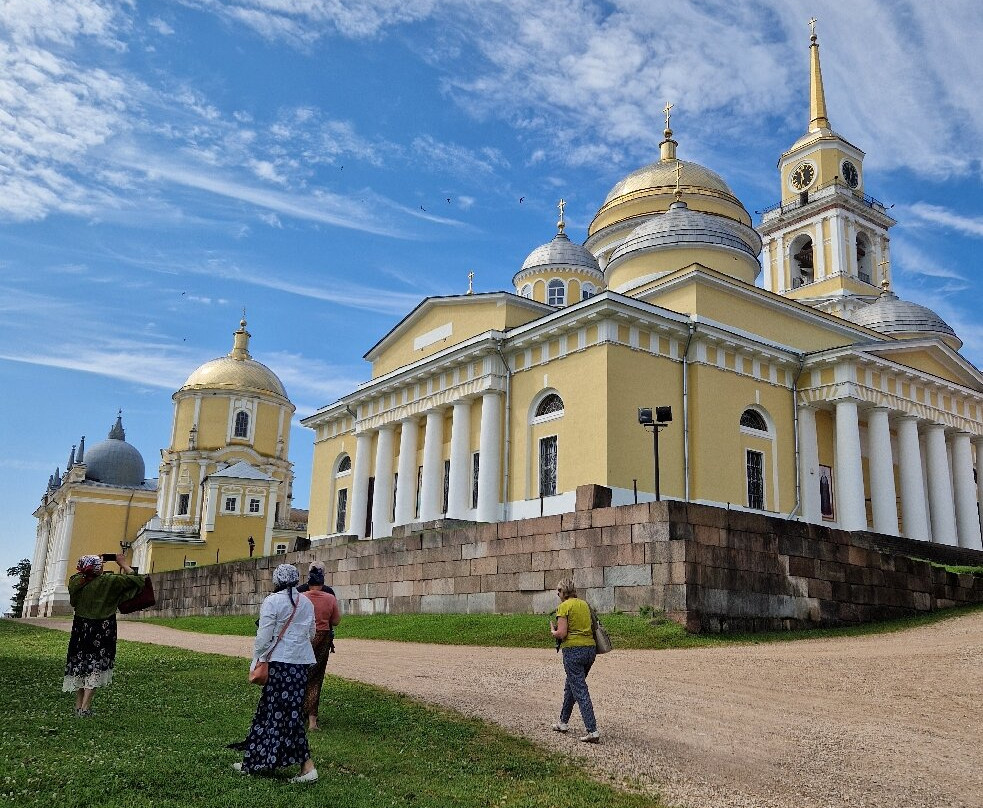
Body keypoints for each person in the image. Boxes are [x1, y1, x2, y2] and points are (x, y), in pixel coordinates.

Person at [234, 563, 318, 783]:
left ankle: (307, 767)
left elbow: (264, 636)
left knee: (280, 714)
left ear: (277, 580)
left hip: (280, 663)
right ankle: (256, 761)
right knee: (274, 712)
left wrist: (259, 658)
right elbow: (311, 633)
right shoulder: (306, 602)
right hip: (300, 664)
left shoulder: (272, 601)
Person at [64, 551, 145, 717]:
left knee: (81, 665)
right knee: (96, 665)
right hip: (103, 628)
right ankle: (85, 707)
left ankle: (78, 706)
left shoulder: (75, 581)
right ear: (98, 568)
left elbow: (82, 580)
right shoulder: (110, 581)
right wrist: (123, 563)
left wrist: (95, 564)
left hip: (81, 628)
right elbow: (138, 580)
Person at [548, 577, 600, 743]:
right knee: (571, 686)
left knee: (580, 690)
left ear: (563, 591)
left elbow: (562, 633)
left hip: (573, 651)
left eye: (559, 591)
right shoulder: (584, 604)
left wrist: (553, 632)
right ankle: (563, 722)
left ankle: (592, 730)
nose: (557, 594)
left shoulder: (564, 607)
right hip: (590, 650)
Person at [301, 562, 341, 730]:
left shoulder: (301, 596)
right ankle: (312, 721)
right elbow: (336, 621)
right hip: (323, 638)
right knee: (316, 678)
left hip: (302, 638)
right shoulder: (330, 596)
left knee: (300, 676)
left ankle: (296, 715)